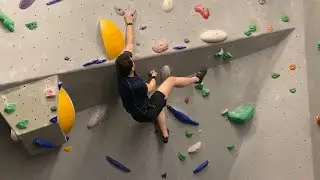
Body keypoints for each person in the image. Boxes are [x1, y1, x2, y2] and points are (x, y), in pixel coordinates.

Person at [116, 11, 208, 143]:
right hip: (146, 112)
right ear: (132, 67)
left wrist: (129, 22)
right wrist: (153, 76)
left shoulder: (121, 69)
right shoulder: (136, 85)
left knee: (159, 100)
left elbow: (129, 43)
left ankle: (165, 135)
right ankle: (197, 79)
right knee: (170, 82)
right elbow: (151, 87)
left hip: (134, 112)